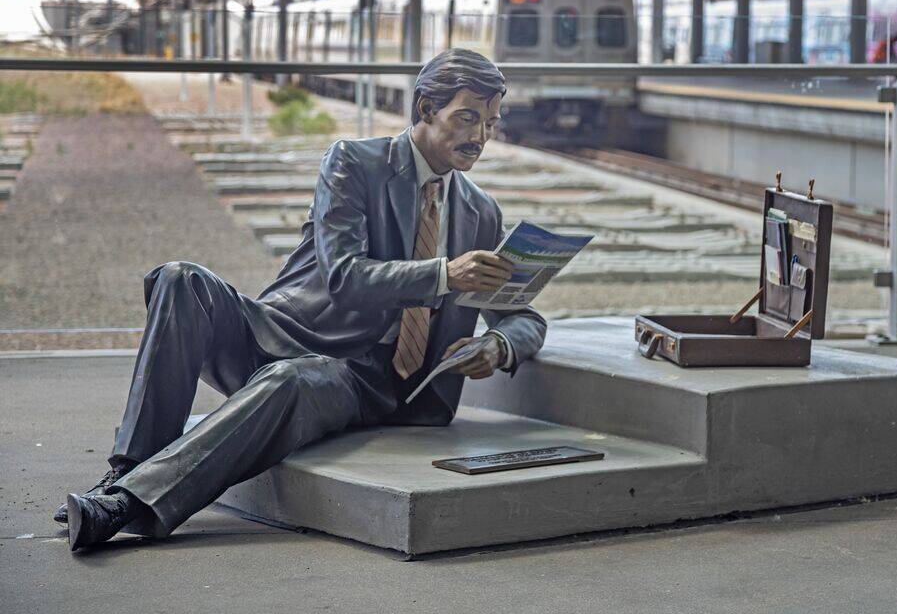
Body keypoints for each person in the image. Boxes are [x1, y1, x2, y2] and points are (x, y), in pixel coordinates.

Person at [58, 48, 547, 551]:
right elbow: (344, 276)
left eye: (491, 122)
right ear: (425, 108)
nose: (480, 137)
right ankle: (125, 471)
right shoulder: (353, 163)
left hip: (364, 379)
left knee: (292, 378)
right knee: (180, 279)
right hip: (283, 332)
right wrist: (443, 273)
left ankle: (125, 506)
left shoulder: (480, 212)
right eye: (467, 118)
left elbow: (524, 315)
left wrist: (498, 346)